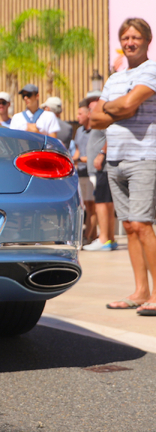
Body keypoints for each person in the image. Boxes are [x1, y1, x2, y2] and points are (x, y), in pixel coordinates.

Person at [90, 18, 156, 315]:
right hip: (115, 159)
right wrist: (120, 107)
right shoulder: (115, 77)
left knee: (142, 226)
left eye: (136, 37)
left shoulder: (151, 70)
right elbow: (94, 118)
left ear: (147, 41)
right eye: (126, 37)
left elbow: (127, 105)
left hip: (144, 158)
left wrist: (113, 107)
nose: (131, 42)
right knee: (128, 227)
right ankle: (141, 291)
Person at [83, 91, 118, 252]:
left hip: (102, 167)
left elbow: (111, 136)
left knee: (102, 203)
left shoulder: (103, 116)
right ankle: (109, 238)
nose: (91, 104)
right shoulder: (98, 116)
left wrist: (102, 154)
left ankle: (104, 238)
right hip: (98, 168)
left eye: (94, 100)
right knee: (105, 202)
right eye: (89, 101)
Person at [71, 99, 97, 244]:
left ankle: (88, 236)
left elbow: (91, 156)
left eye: (80, 113)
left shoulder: (95, 131)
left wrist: (79, 159)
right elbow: (78, 152)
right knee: (86, 205)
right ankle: (90, 236)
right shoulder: (79, 131)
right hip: (80, 172)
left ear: (88, 114)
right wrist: (71, 159)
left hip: (91, 173)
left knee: (92, 206)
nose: (77, 117)